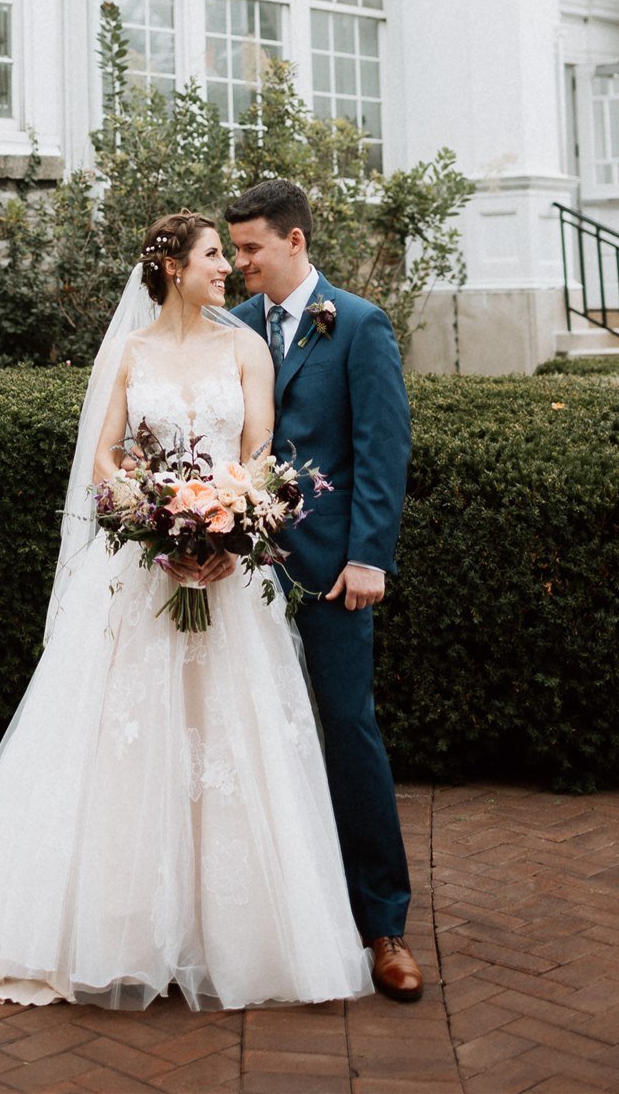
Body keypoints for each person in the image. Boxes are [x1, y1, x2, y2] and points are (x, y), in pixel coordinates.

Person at [0, 210, 373, 1012]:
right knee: (127, 747)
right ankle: (121, 927)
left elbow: (260, 445)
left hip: (227, 572)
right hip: (141, 572)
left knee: (231, 742)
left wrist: (230, 515)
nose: (224, 268)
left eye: (228, 256)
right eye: (209, 257)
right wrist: (147, 505)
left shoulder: (246, 347)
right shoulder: (130, 352)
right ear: (170, 269)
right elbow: (104, 451)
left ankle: (225, 931)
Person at [223, 179, 422, 1004]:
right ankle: (271, 915)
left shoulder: (360, 324)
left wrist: (369, 556)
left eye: (250, 250)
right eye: (232, 251)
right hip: (240, 574)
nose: (239, 265)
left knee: (346, 728)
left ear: (294, 243)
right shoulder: (232, 331)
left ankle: (383, 925)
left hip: (333, 574)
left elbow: (383, 448)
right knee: (254, 741)